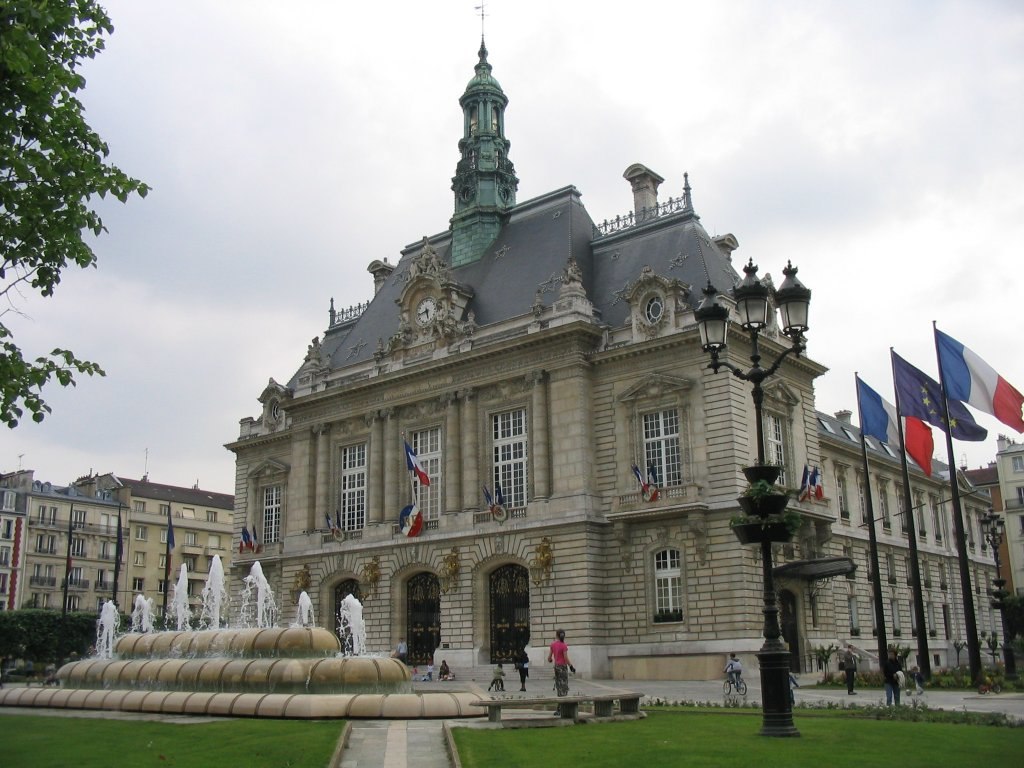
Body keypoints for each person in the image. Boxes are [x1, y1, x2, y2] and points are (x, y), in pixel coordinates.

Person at [547, 629, 574, 697]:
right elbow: (565, 658)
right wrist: (571, 666)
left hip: (556, 667)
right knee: (564, 683)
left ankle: (559, 698)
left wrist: (550, 660)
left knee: (558, 683)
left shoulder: (553, 644)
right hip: (563, 667)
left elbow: (549, 658)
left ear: (556, 635)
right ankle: (564, 699)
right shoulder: (564, 645)